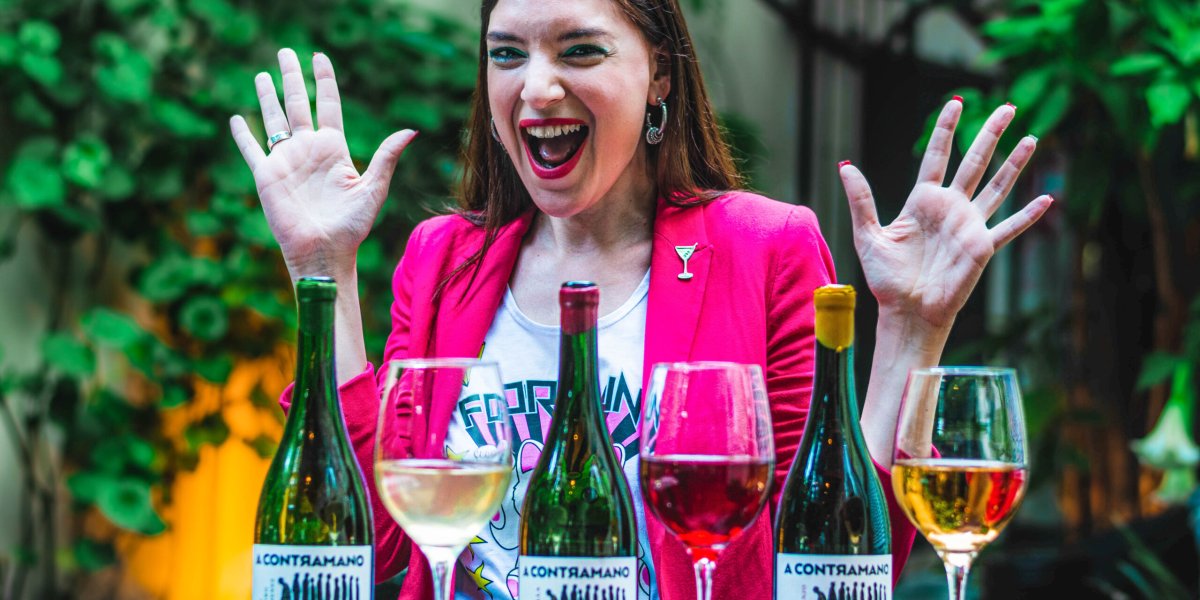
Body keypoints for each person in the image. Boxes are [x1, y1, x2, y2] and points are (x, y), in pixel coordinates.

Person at [228, 0, 1051, 598]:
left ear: (659, 70)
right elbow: (377, 540)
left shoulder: (765, 249)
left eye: (580, 50)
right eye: (506, 54)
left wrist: (911, 329)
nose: (535, 88)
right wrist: (322, 270)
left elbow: (830, 566)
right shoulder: (444, 258)